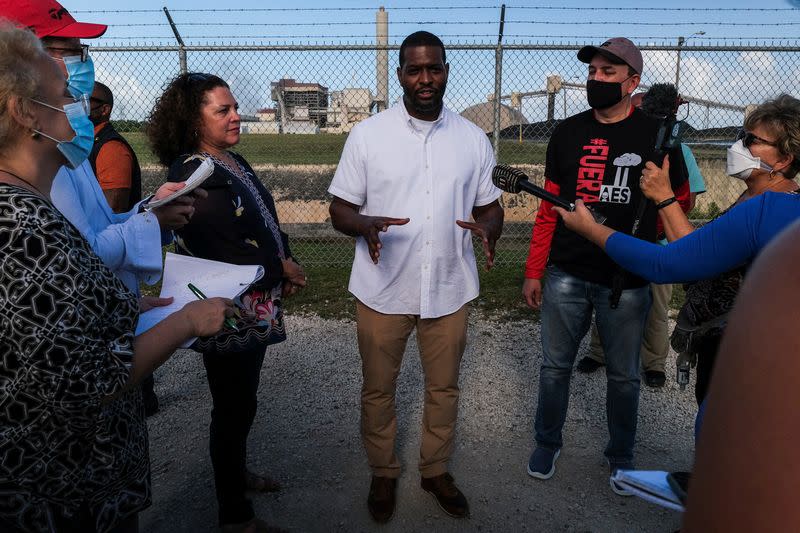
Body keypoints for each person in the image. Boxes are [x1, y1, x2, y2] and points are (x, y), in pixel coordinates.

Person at [0, 24, 233, 532]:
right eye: (63, 94)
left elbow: (57, 311)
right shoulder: (23, 228)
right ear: (24, 114)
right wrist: (188, 321)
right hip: (58, 486)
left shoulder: (27, 205)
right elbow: (86, 383)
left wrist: (123, 307)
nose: (78, 100)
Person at [328, 31, 503, 523]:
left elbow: (491, 207)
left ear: (446, 70)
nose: (425, 79)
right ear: (400, 72)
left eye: (435, 68)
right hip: (383, 287)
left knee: (444, 388)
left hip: (449, 287)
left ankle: (435, 470)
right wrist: (362, 224)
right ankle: (383, 472)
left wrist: (490, 227)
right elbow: (339, 208)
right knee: (379, 388)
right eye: (415, 69)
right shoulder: (368, 135)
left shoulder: (471, 138)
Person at [0, 0, 196, 418]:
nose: (80, 75)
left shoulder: (60, 154)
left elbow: (89, 237)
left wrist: (149, 213)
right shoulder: (22, 218)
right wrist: (188, 321)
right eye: (64, 51)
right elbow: (81, 254)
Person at [522, 37, 690, 495]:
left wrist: (663, 190)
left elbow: (680, 204)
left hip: (628, 278)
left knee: (624, 375)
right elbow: (547, 208)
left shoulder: (657, 135)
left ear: (632, 82)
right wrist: (535, 269)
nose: (596, 79)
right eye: (593, 71)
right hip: (567, 272)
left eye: (608, 73)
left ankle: (621, 455)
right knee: (555, 366)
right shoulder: (568, 133)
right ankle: (547, 440)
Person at [147, 72, 306, 533]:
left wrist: (286, 256)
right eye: (224, 110)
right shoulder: (192, 171)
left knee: (243, 400)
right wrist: (283, 270)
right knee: (232, 405)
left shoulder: (229, 160)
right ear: (194, 120)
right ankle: (234, 515)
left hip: (251, 298)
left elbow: (263, 221)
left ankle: (235, 475)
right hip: (226, 307)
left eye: (235, 107)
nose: (237, 116)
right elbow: (222, 245)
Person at [608, 94, 799, 405]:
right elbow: (694, 252)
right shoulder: (752, 198)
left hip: (743, 348)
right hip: (720, 340)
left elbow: (671, 262)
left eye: (751, 139)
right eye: (741, 134)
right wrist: (664, 196)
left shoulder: (769, 209)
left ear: (783, 160)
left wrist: (595, 231)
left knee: (725, 432)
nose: (739, 145)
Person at [580, 85, 707, 388]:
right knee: (607, 294)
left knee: (657, 307)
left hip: (659, 243)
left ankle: (653, 362)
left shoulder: (680, 151)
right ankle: (599, 352)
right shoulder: (624, 143)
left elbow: (686, 197)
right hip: (620, 238)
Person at [681, 219, 800, 532]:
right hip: (719, 332)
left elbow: (688, 254)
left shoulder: (785, 232)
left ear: (785, 166)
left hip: (744, 334)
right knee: (711, 414)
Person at [89, 80, 142, 212]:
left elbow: (113, 211)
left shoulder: (111, 149)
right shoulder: (87, 142)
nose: (76, 105)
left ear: (104, 110)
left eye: (85, 100)